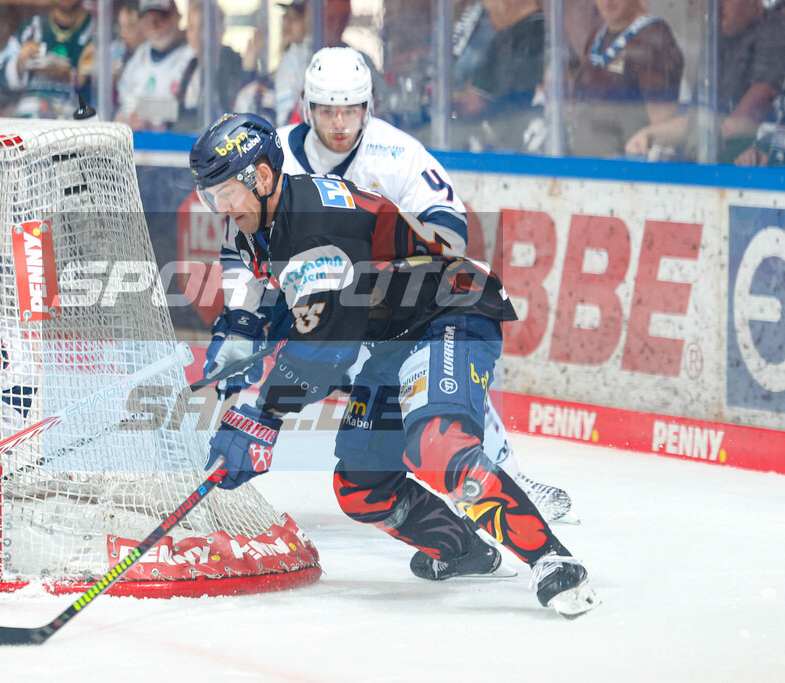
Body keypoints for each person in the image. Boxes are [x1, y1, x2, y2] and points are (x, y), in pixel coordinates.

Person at [190, 113, 598, 617]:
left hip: (449, 314)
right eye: (212, 196)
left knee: (438, 444)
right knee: (362, 486)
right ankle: (463, 551)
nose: (220, 207)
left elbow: (328, 347)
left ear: (265, 177)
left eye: (227, 191)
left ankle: (553, 561)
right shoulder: (251, 226)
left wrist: (263, 416)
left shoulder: (316, 222)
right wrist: (233, 357)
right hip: (394, 336)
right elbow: (247, 317)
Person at [221, 46, 575, 527]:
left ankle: (504, 475)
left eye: (351, 109)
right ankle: (223, 469)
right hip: (301, 293)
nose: (340, 122)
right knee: (248, 363)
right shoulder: (274, 152)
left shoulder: (397, 153)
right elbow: (239, 234)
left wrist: (367, 268)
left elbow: (449, 236)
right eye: (328, 110)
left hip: (381, 296)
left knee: (432, 375)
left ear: (369, 107)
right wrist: (244, 316)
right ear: (308, 107)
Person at [625, 0, 785, 162]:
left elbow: (754, 107)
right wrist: (650, 135)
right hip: (712, 166)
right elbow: (699, 120)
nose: (716, 6)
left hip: (751, 172)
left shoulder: (774, 28)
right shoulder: (717, 35)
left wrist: (703, 140)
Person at [566, 0, 683, 158]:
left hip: (625, 173)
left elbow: (661, 128)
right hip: (585, 169)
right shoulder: (597, 36)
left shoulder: (653, 38)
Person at [452, 0, 545, 151]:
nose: (490, 22)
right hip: (520, 137)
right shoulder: (544, 28)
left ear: (506, 4)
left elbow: (473, 104)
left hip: (512, 142)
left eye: (490, 14)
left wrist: (440, 100)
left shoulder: (512, 40)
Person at [0, 0, 94, 119]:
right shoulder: (32, 27)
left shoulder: (97, 32)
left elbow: (114, 93)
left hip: (76, 125)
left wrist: (79, 77)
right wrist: (19, 64)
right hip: (28, 122)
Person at [173, 0, 260, 132]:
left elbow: (242, 116)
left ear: (220, 29)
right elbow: (180, 114)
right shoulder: (189, 68)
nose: (196, 35)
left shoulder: (237, 66)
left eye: (202, 27)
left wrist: (247, 72)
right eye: (191, 27)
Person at [116, 0, 194, 131]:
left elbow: (193, 113)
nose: (153, 25)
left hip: (174, 145)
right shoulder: (140, 55)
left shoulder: (191, 57)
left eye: (160, 18)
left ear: (177, 17)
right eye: (148, 19)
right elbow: (123, 101)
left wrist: (153, 121)